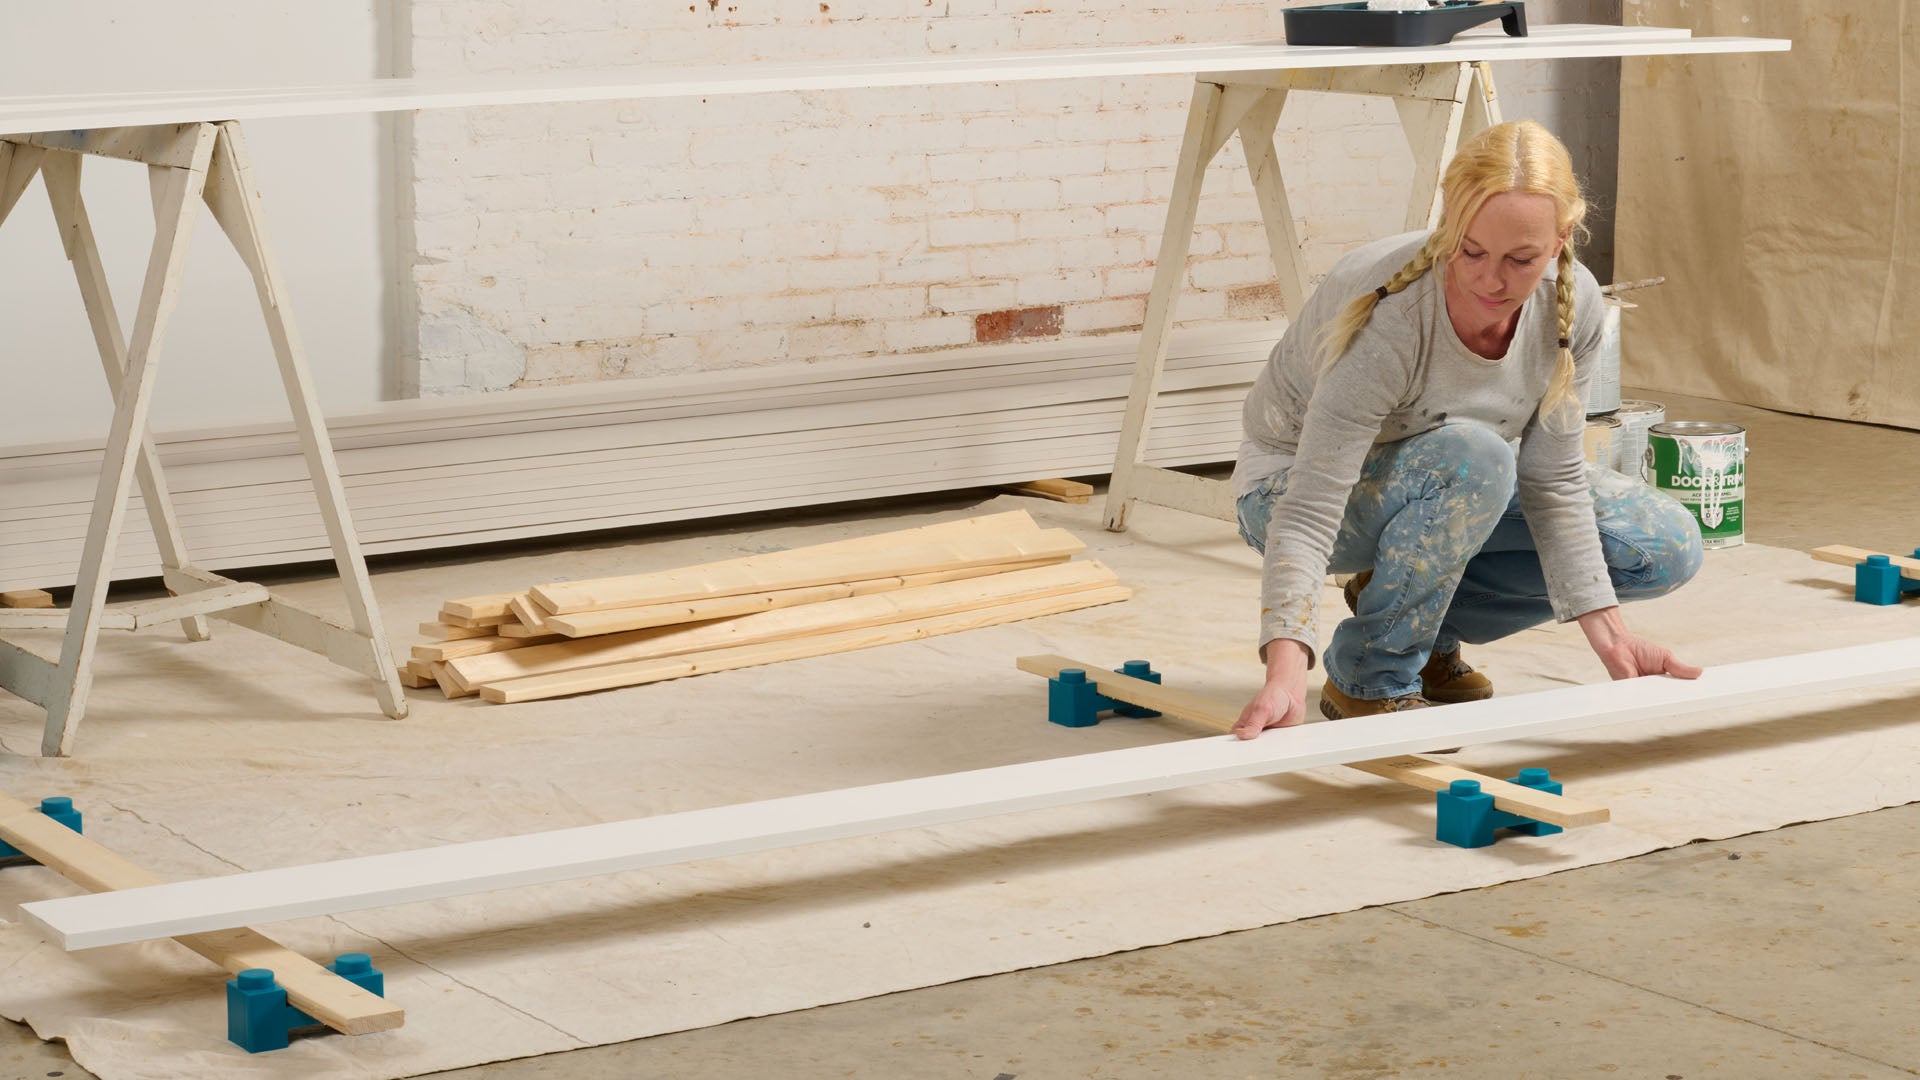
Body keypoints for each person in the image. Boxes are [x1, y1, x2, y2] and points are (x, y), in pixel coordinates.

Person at [1230, 120, 1705, 740]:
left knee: (1664, 545)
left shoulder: (1574, 303)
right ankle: (1370, 676)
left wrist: (1613, 640)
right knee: (1476, 458)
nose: (1490, 280)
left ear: (1560, 241)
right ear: (1448, 223)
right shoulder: (1393, 314)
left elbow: (1553, 483)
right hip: (1288, 492)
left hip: (1451, 480)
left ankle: (1414, 624)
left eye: (1521, 259)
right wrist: (1286, 670)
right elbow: (1309, 510)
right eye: (1471, 250)